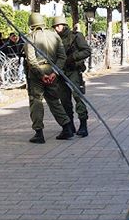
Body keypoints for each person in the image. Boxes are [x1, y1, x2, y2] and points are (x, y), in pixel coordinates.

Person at [23, 12, 74, 144]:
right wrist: (54, 73)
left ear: (31, 23)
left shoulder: (30, 37)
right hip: (52, 70)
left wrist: (41, 75)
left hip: (37, 72)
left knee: (36, 101)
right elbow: (62, 57)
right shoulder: (54, 35)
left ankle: (39, 133)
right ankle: (67, 126)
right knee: (54, 100)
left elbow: (31, 60)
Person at [52, 15, 91, 136]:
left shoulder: (75, 36)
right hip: (61, 72)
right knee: (64, 100)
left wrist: (72, 58)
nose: (57, 28)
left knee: (78, 97)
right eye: (55, 26)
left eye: (59, 25)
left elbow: (87, 51)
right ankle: (70, 126)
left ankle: (83, 125)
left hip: (73, 70)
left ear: (64, 25)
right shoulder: (54, 39)